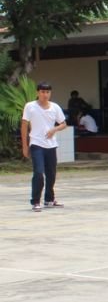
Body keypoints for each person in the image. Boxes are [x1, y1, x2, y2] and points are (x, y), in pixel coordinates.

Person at [21, 82, 67, 212]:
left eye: (47, 92)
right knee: (39, 172)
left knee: (51, 174)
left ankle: (49, 199)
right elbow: (24, 126)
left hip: (51, 145)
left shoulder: (55, 107)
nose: (45, 95)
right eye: (42, 92)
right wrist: (25, 146)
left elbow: (63, 124)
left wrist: (54, 129)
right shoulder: (30, 106)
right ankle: (35, 201)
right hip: (36, 144)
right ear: (38, 93)